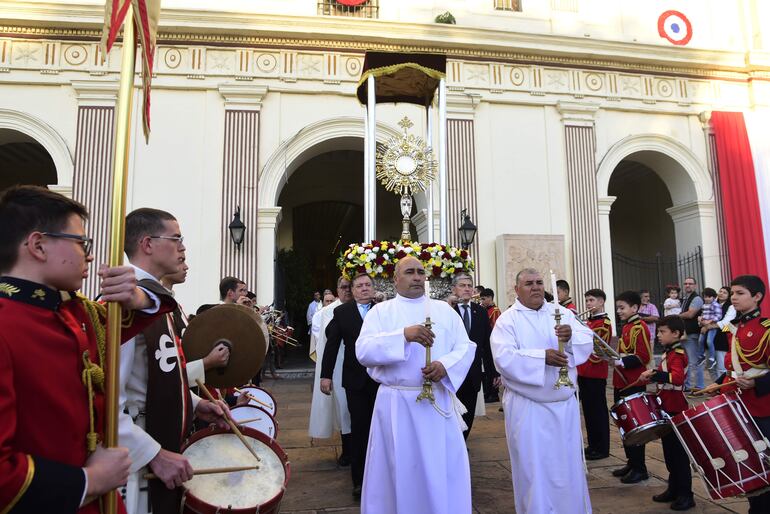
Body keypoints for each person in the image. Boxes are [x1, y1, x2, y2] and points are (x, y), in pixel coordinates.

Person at [0, 186, 176, 514]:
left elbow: (158, 303)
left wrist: (137, 296)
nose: (90, 255)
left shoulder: (76, 314)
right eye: (81, 243)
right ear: (38, 245)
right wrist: (89, 481)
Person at [118, 208, 230, 514]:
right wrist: (153, 454)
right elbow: (108, 403)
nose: (183, 247)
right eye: (176, 238)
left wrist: (195, 404)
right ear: (147, 244)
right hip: (139, 457)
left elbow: (163, 375)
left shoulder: (158, 300)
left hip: (163, 437)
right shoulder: (125, 304)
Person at [356, 256, 476, 514]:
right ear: (395, 279)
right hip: (397, 402)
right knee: (398, 466)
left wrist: (445, 366)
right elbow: (363, 350)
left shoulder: (444, 311)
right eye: (410, 272)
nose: (417, 277)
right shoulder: (381, 312)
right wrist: (403, 336)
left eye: (421, 272)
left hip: (437, 402)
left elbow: (466, 347)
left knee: (439, 465)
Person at [490, 268, 594, 514]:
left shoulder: (562, 314)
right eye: (528, 283)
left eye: (539, 282)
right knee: (533, 469)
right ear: (517, 289)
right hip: (529, 407)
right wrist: (541, 357)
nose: (535, 287)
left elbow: (587, 341)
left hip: (563, 405)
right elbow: (503, 359)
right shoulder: (508, 320)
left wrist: (569, 339)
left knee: (567, 467)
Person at [699, 275, 770, 514]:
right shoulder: (734, 328)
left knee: (766, 463)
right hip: (738, 405)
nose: (734, 298)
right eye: (732, 293)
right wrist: (719, 385)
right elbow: (733, 367)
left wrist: (757, 385)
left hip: (763, 407)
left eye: (740, 293)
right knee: (749, 463)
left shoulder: (766, 328)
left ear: (757, 296)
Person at [321, 273, 379, 499]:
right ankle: (359, 481)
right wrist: (325, 376)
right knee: (359, 430)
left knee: (383, 430)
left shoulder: (383, 310)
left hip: (382, 381)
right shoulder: (342, 312)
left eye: (368, 285)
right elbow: (332, 345)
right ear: (352, 290)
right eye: (359, 286)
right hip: (355, 382)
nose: (364, 289)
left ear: (373, 289)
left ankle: (383, 476)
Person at [638, 316, 695, 511]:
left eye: (663, 332)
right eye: (659, 331)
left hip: (676, 406)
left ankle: (686, 495)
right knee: (669, 452)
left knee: (678, 454)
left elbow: (677, 379)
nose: (659, 335)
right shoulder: (670, 352)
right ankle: (673, 488)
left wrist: (654, 374)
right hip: (666, 405)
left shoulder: (677, 353)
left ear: (676, 333)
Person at [160, 258, 230, 389]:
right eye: (180, 260)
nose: (186, 267)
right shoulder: (153, 306)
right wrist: (207, 362)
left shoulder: (176, 307)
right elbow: (164, 374)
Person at [308, 276, 352, 466]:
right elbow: (323, 342)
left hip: (357, 363)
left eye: (350, 287)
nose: (347, 291)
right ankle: (347, 449)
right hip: (337, 365)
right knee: (343, 408)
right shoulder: (325, 313)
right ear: (337, 290)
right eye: (343, 287)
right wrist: (326, 373)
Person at [612, 290, 653, 484]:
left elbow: (643, 356)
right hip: (622, 381)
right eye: (618, 307)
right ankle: (632, 462)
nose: (619, 311)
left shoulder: (639, 327)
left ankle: (640, 467)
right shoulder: (627, 326)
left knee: (635, 426)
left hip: (633, 382)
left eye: (622, 308)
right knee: (625, 424)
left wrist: (622, 362)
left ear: (635, 308)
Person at [451, 273, 499, 436]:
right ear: (454, 289)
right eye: (462, 285)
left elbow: (487, 343)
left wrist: (494, 371)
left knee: (468, 412)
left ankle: (463, 442)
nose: (467, 289)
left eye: (469, 286)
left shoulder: (481, 312)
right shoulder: (448, 311)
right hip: (451, 374)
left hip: (473, 373)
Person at [578, 288, 612, 461]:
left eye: (592, 300)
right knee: (589, 411)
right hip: (584, 370)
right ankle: (593, 444)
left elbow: (596, 348)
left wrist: (581, 329)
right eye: (587, 301)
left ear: (601, 302)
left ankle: (602, 447)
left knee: (598, 411)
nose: (589, 304)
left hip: (595, 371)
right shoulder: (590, 322)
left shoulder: (604, 323)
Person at [679, 278, 704, 391]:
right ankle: (688, 386)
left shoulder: (697, 298)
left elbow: (690, 314)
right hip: (685, 334)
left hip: (693, 334)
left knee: (693, 362)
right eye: (686, 283)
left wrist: (676, 316)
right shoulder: (686, 298)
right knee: (686, 361)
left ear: (695, 285)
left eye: (690, 283)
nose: (688, 285)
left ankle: (697, 386)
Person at [707, 286, 735, 376]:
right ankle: (715, 388)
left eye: (725, 292)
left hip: (722, 339)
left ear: (729, 296)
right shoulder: (712, 304)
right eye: (720, 291)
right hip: (709, 340)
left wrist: (709, 326)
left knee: (721, 367)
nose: (721, 293)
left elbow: (726, 323)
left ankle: (722, 388)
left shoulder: (731, 306)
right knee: (710, 368)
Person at [697, 287, 722, 372]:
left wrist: (709, 321)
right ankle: (701, 356)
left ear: (714, 297)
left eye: (709, 297)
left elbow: (718, 316)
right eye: (705, 297)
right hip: (704, 325)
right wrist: (700, 319)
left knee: (709, 341)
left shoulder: (715, 305)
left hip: (712, 326)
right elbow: (703, 314)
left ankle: (712, 358)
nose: (706, 298)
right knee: (700, 341)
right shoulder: (704, 305)